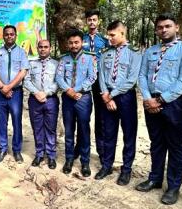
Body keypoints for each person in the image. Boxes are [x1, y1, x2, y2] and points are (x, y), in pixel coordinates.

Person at [137, 13, 182, 205]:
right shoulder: (150, 51)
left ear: (176, 27)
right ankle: (155, 178)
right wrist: (148, 98)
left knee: (176, 145)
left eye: (167, 26)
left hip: (174, 104)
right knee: (156, 142)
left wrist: (160, 100)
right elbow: (142, 76)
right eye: (160, 27)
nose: (163, 30)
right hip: (150, 102)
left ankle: (173, 187)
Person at [97, 21, 141, 185]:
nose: (109, 38)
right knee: (108, 133)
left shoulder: (134, 53)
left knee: (129, 134)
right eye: (108, 35)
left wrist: (111, 95)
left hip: (125, 97)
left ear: (122, 33)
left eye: (112, 35)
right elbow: (101, 75)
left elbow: (132, 79)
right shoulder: (105, 52)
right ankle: (106, 165)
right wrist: (105, 94)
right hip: (107, 95)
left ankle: (126, 169)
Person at [55, 29, 97, 177]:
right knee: (68, 130)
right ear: (68, 44)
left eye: (76, 42)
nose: (74, 45)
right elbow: (59, 77)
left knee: (84, 130)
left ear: (82, 42)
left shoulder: (89, 58)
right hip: (68, 98)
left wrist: (76, 90)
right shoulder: (63, 59)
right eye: (71, 43)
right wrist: (68, 90)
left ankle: (85, 162)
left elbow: (92, 77)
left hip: (83, 98)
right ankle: (69, 159)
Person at [0, 25, 30, 163]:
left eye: (11, 34)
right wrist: (3, 87)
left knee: (16, 121)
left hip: (16, 93)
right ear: (3, 36)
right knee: (1, 122)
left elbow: (23, 71)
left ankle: (17, 150)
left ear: (15, 36)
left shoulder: (22, 53)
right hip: (0, 92)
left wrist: (9, 87)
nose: (9, 36)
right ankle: (2, 149)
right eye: (6, 34)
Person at [23, 39, 59, 169]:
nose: (43, 49)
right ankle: (39, 154)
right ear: (37, 48)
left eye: (45, 47)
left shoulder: (56, 64)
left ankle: (51, 155)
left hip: (50, 100)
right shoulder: (31, 64)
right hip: (35, 100)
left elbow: (59, 81)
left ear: (50, 48)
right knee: (37, 127)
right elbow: (26, 80)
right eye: (40, 47)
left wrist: (46, 93)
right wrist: (36, 92)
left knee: (51, 128)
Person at [82, 9, 109, 161]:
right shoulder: (81, 39)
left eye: (94, 20)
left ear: (98, 21)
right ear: (86, 21)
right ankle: (80, 147)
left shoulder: (104, 40)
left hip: (99, 79)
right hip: (84, 78)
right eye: (89, 20)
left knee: (100, 114)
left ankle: (101, 150)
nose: (92, 22)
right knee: (83, 113)